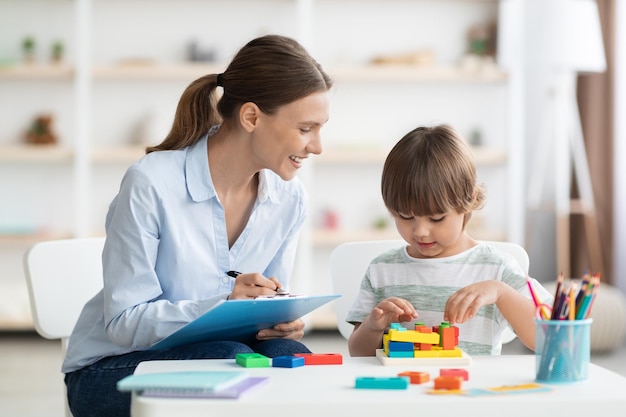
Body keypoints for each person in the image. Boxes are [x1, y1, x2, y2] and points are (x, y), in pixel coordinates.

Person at [62, 34, 333, 417]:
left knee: (290, 356)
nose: (317, 146)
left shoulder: (290, 197)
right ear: (252, 117)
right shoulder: (152, 183)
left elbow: (265, 310)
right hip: (112, 370)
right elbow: (124, 324)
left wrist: (279, 323)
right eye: (306, 128)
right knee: (229, 359)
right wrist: (221, 304)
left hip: (218, 354)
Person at [346, 124, 552, 357]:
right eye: (405, 217)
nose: (421, 231)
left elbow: (548, 338)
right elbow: (357, 353)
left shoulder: (496, 268)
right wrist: (374, 327)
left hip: (470, 389)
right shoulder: (381, 269)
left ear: (469, 201)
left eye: (436, 218)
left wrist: (501, 293)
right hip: (402, 390)